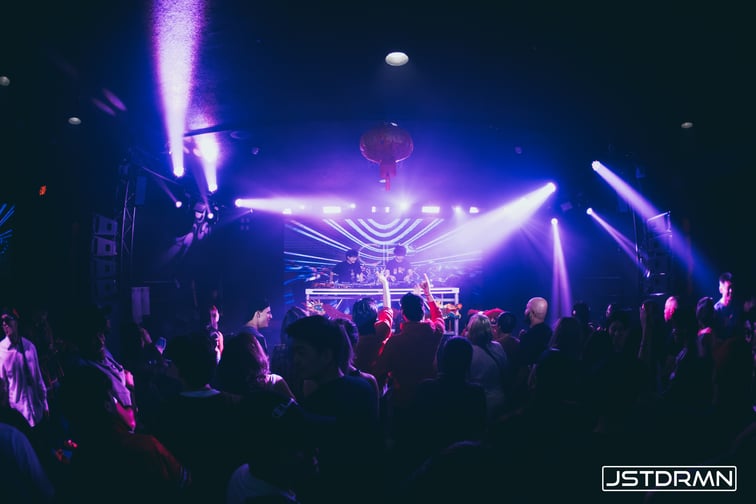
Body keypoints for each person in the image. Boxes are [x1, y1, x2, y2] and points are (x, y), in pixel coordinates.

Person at [0, 310, 49, 429]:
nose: (5, 324)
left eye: (8, 320)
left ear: (16, 322)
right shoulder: (1, 352)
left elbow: (38, 378)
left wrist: (45, 405)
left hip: (37, 413)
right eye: (2, 322)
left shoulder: (29, 347)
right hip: (19, 416)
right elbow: (3, 388)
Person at [714, 272, 741, 340]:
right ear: (721, 289)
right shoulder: (716, 310)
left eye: (732, 287)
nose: (731, 290)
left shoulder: (736, 306)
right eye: (728, 288)